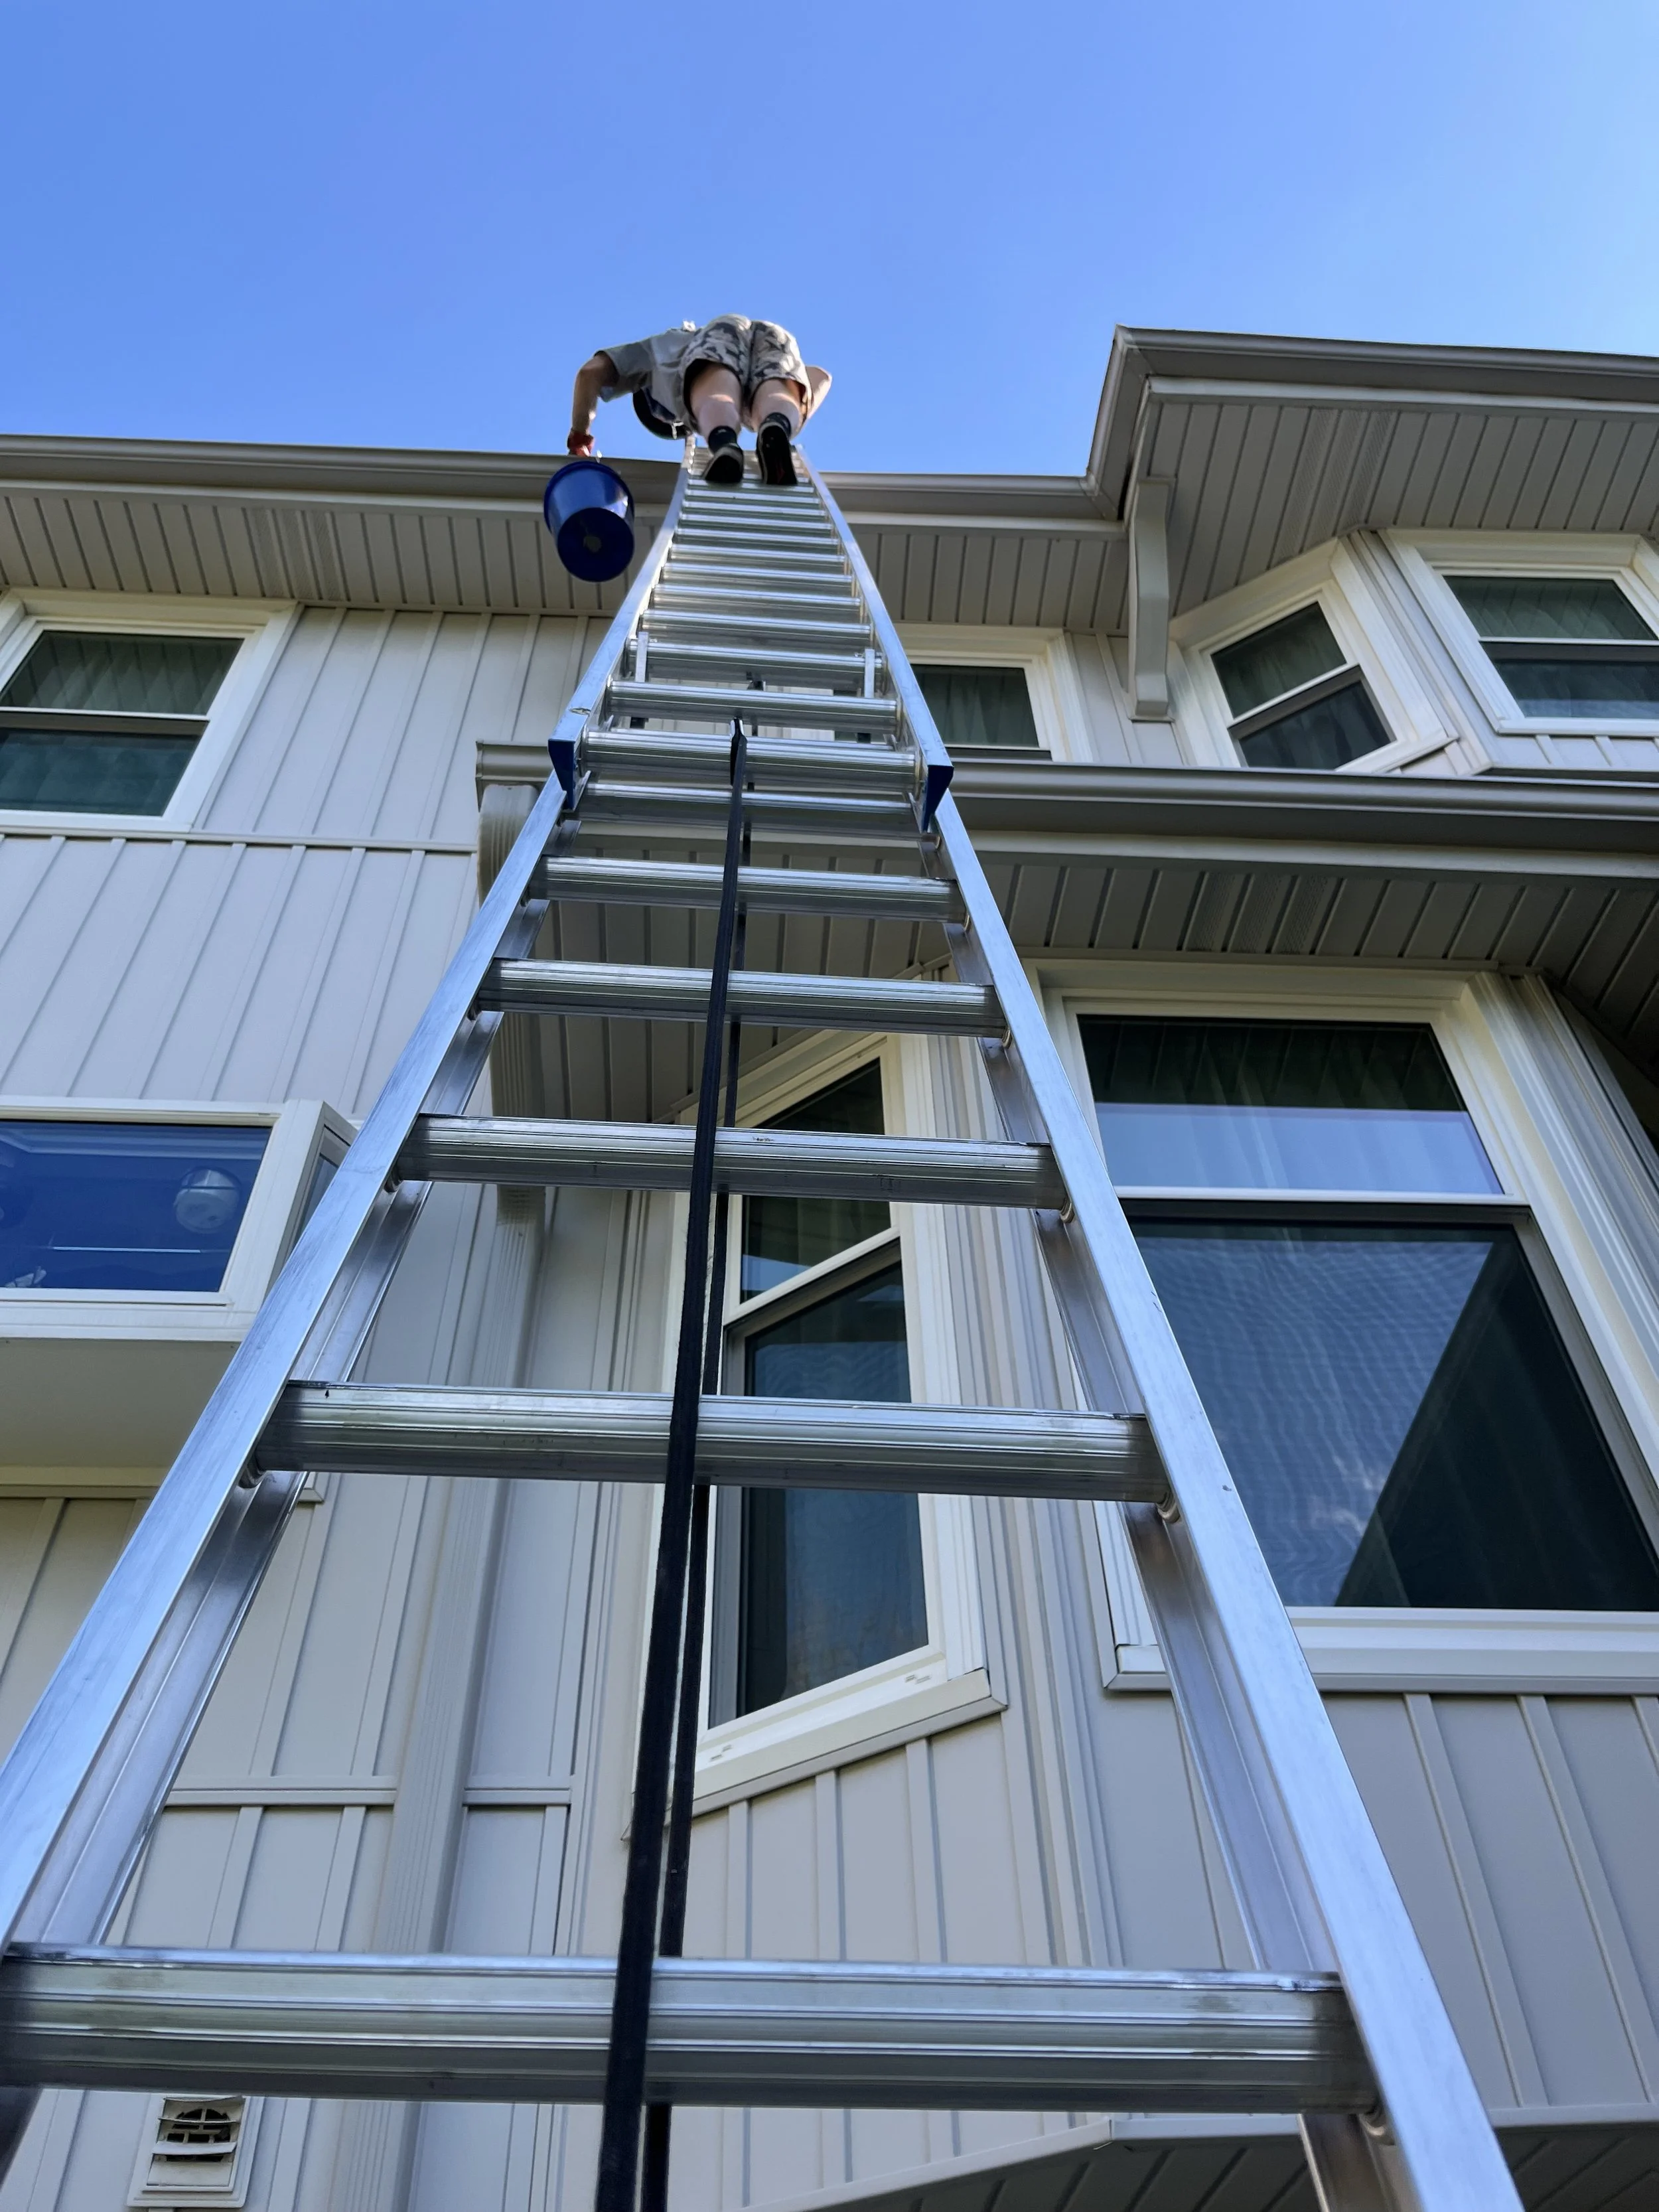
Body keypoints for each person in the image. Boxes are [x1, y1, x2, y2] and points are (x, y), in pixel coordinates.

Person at [567, 315, 831, 488]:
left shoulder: (657, 353)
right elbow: (821, 377)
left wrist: (580, 441)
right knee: (777, 395)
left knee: (714, 393)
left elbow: (591, 372)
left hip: (715, 337)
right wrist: (801, 404)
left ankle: (725, 442)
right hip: (773, 333)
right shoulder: (669, 341)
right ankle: (778, 422)